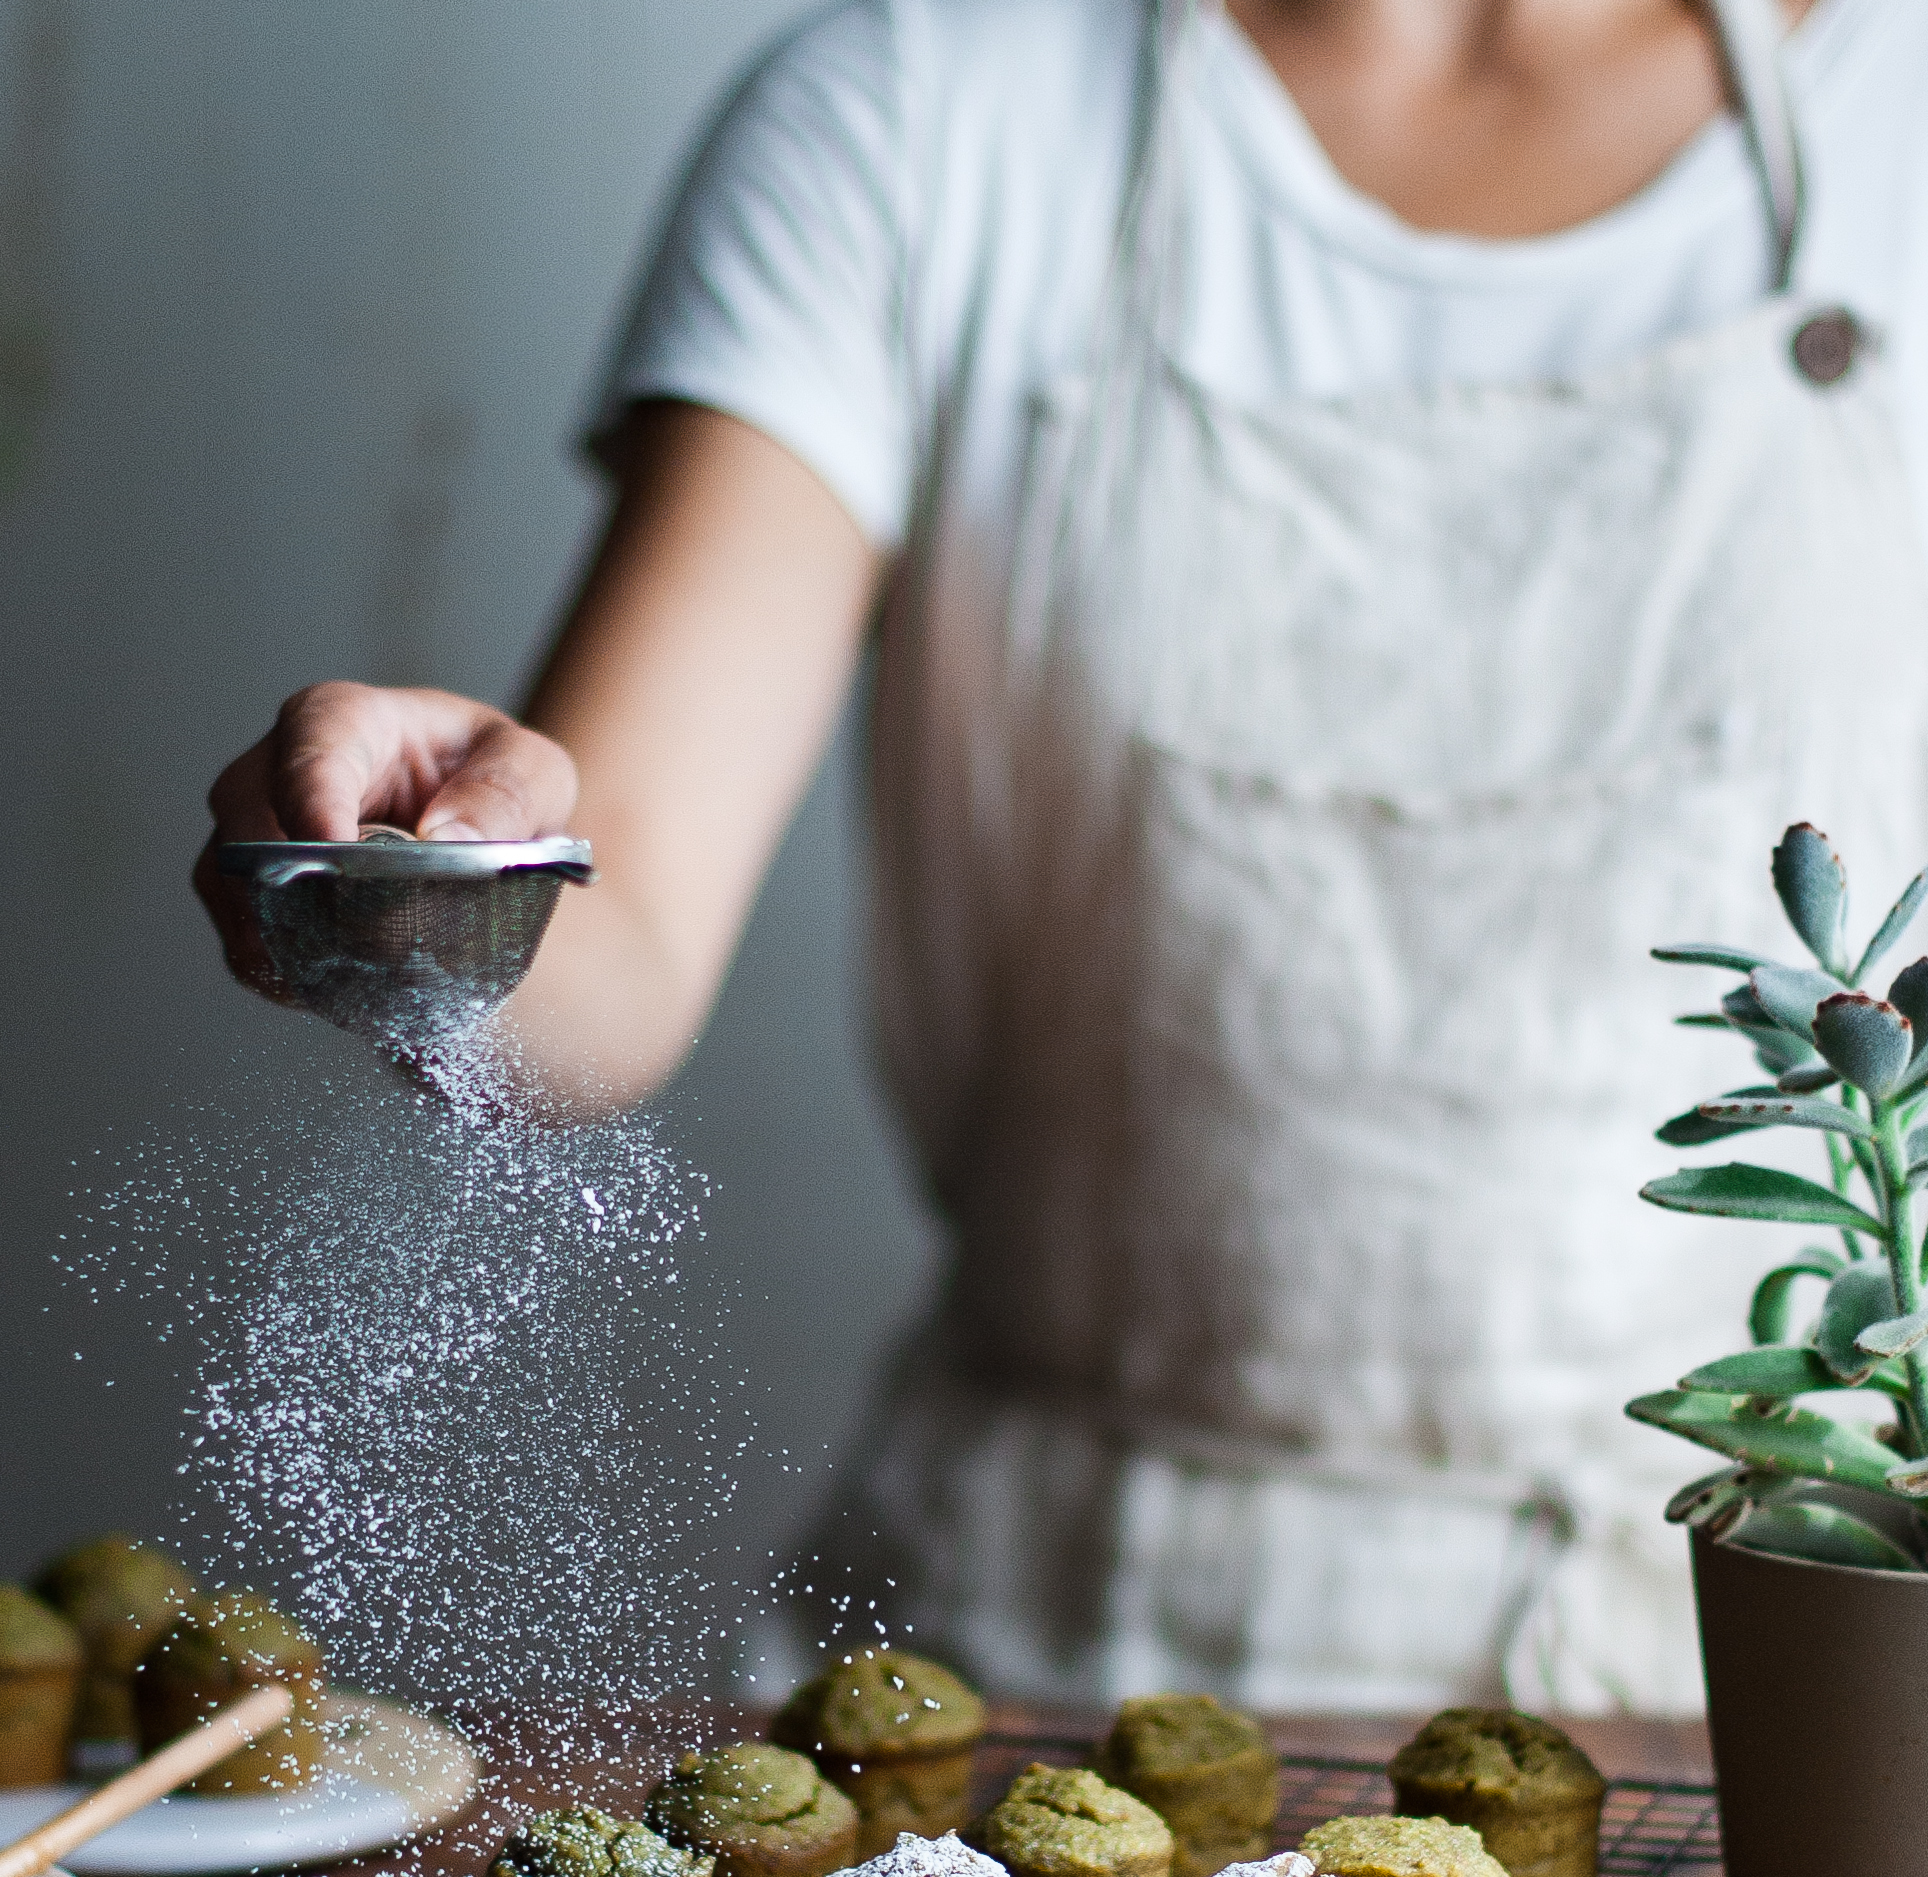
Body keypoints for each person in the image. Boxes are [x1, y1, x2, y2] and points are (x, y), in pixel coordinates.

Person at [198, 0, 1928, 1717]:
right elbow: (612, 940)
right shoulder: (917, 117)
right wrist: (426, 903)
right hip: (1035, 1677)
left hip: (1800, 1667)